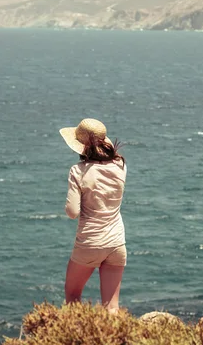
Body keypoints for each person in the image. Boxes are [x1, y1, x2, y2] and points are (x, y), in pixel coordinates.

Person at [59, 118, 127, 314]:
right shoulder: (120, 167)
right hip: (116, 243)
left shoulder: (77, 171)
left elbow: (72, 212)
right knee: (112, 307)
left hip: (90, 242)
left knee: (72, 294)